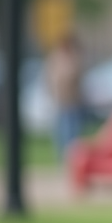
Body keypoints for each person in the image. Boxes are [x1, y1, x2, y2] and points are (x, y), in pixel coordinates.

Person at [45, 32, 84, 161]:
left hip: (72, 100)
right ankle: (62, 158)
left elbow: (75, 75)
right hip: (60, 100)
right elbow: (50, 78)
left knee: (72, 132)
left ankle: (71, 159)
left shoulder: (73, 57)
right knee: (61, 131)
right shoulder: (56, 58)